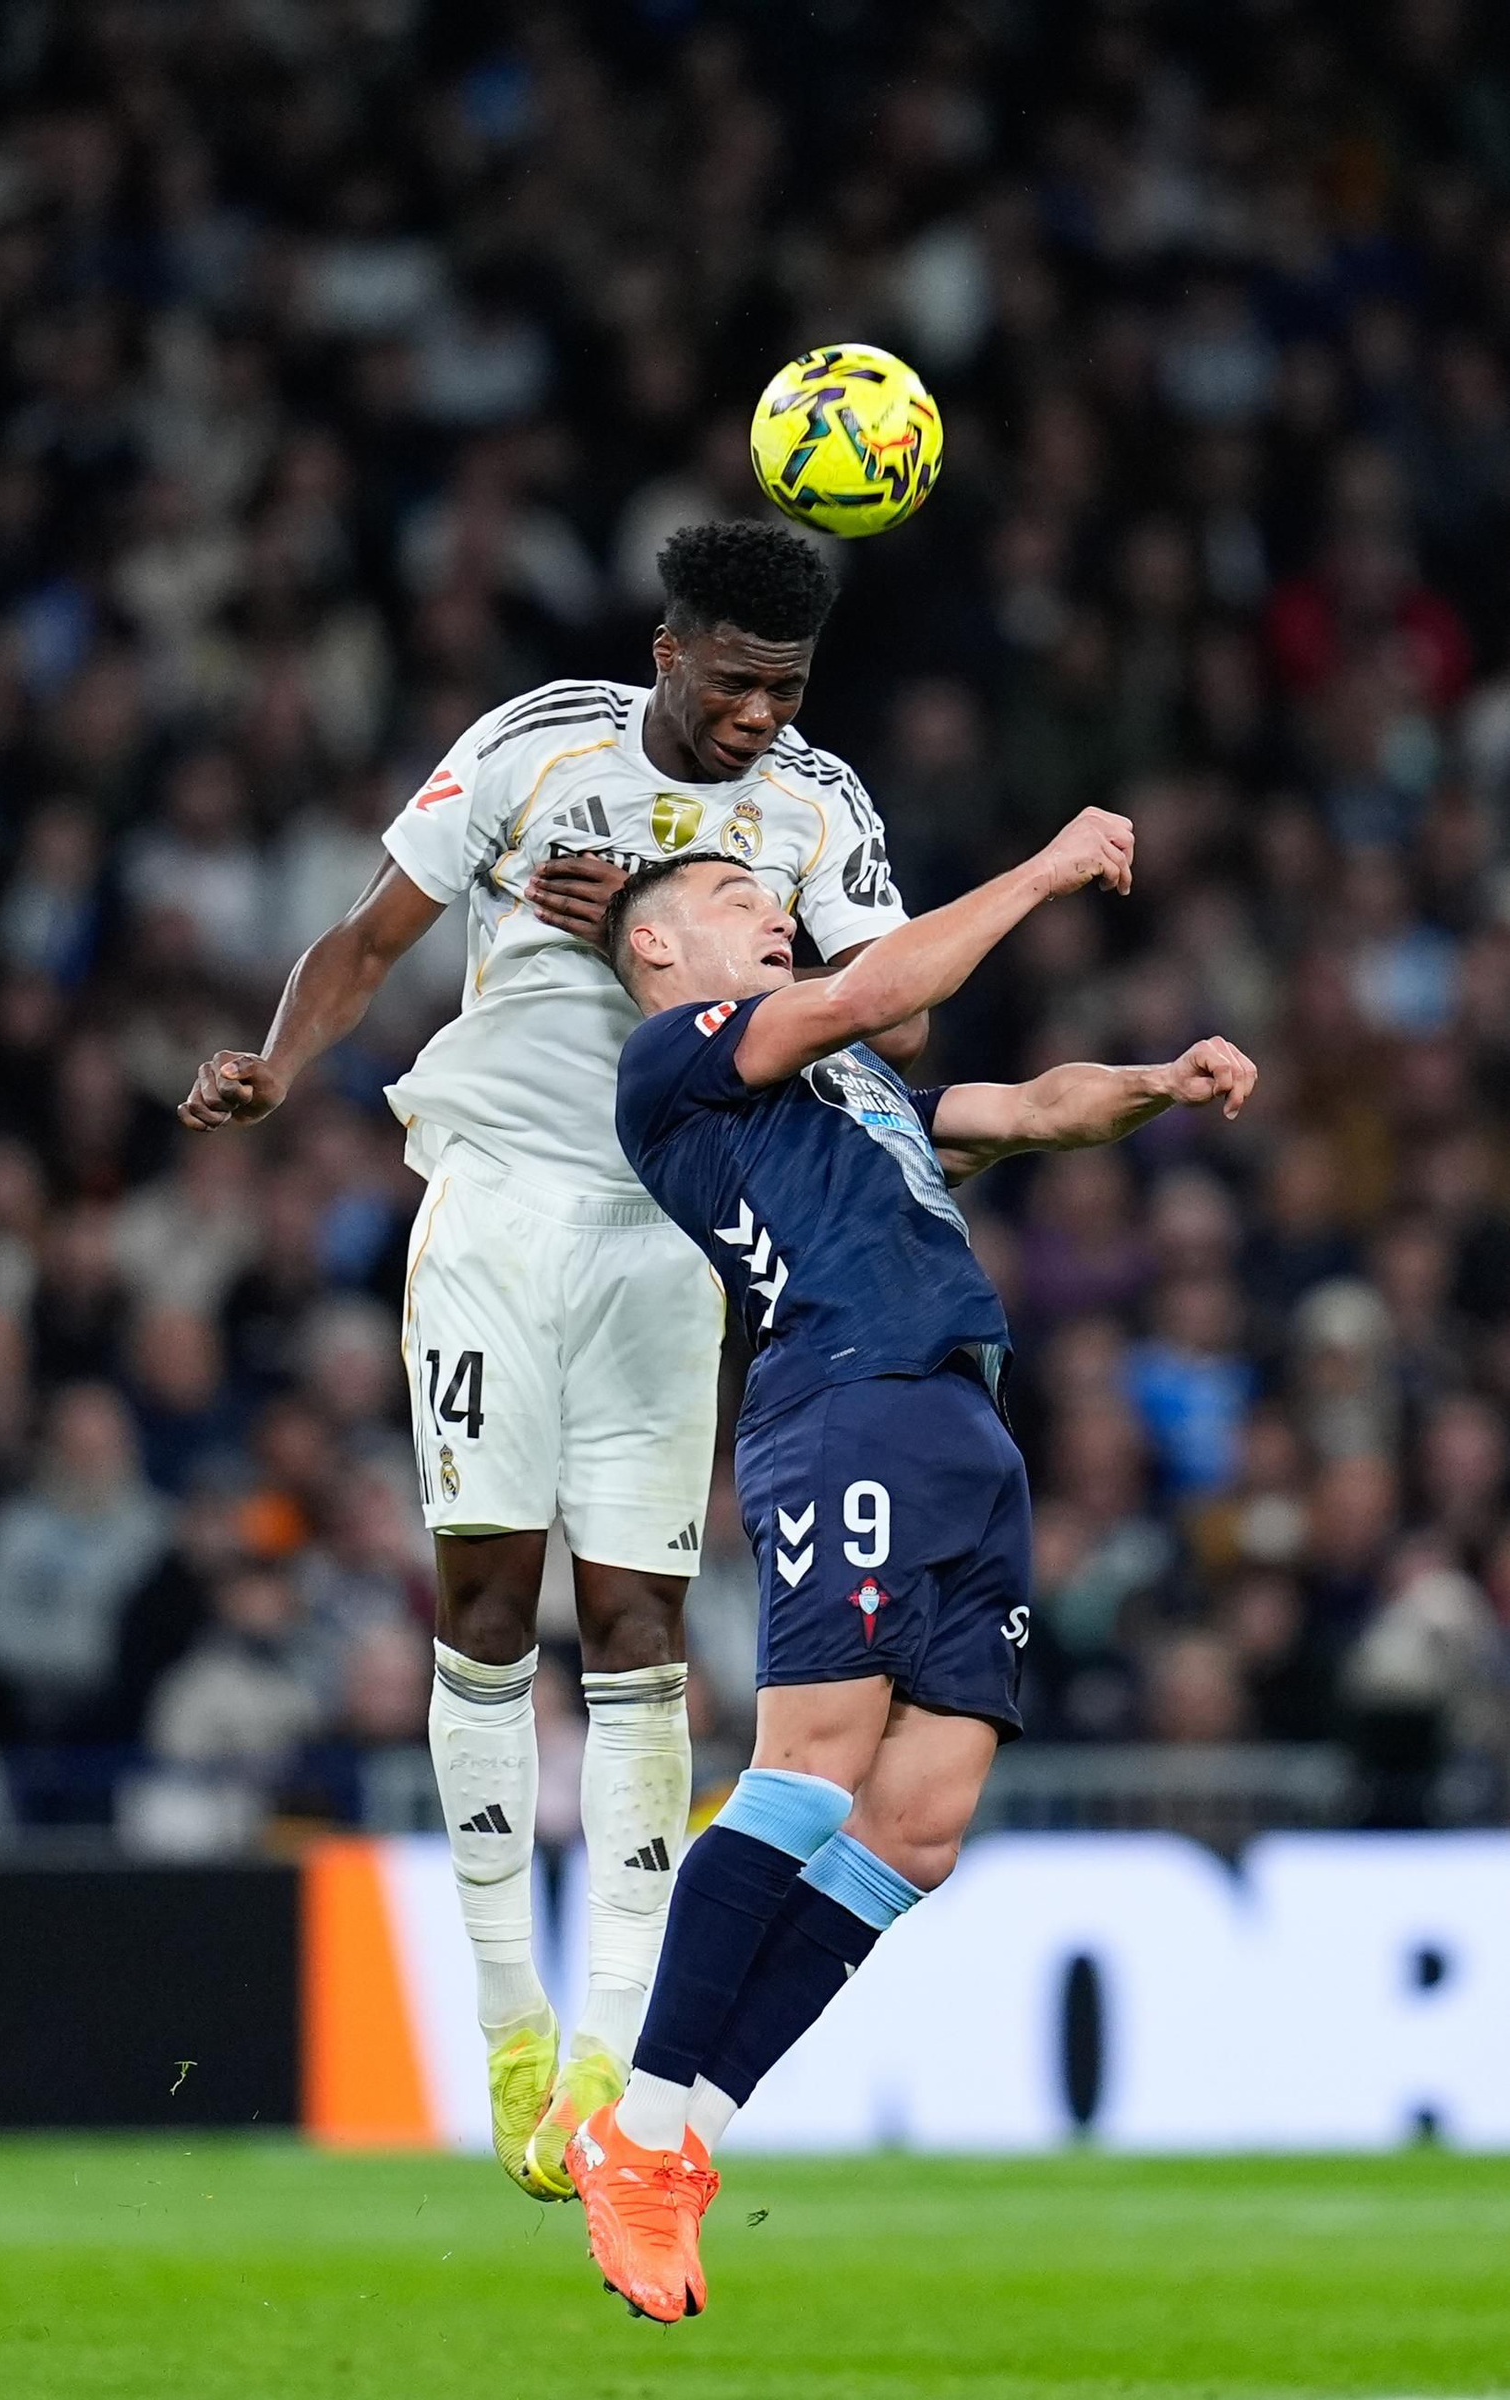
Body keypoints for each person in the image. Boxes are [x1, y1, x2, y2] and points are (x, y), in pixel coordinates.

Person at [176, 522, 924, 2195]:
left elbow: (901, 1010)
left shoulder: (819, 808)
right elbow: (369, 940)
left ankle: (608, 2040)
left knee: (645, 1623)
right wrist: (283, 1068)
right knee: (489, 1602)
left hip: (672, 1225)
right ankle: (510, 2022)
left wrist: (653, 930)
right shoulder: (533, 748)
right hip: (497, 1206)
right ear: (670, 652)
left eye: (786, 690)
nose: (758, 719)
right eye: (736, 683)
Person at [566, 817, 1258, 2322]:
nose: (773, 916)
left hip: (959, 1421)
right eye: (738, 898)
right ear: (663, 953)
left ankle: (686, 2145)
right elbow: (863, 992)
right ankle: (640, 2116)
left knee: (919, 1827)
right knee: (809, 1768)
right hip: (845, 1395)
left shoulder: (846, 1086)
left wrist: (1155, 1084)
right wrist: (1045, 868)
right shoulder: (680, 1060)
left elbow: (1026, 1110)